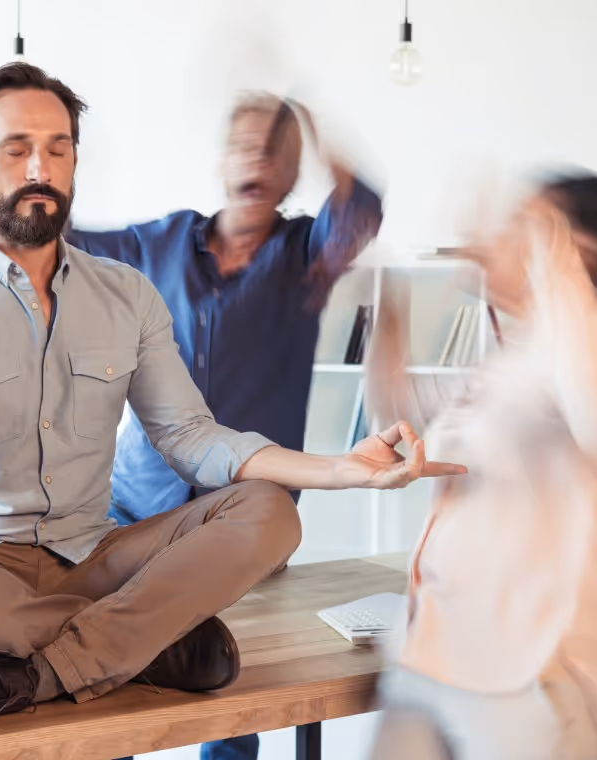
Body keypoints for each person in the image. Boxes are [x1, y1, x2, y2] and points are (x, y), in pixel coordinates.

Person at [0, 61, 462, 733]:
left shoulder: (129, 292)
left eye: (58, 147)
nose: (40, 166)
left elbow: (191, 436)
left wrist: (337, 470)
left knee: (271, 513)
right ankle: (150, 645)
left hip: (97, 557)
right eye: (16, 147)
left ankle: (30, 671)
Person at [64, 94, 383, 760]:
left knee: (235, 688)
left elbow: (364, 206)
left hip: (245, 523)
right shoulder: (159, 242)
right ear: (220, 160)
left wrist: (309, 119)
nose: (257, 160)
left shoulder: (307, 254)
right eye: (244, 145)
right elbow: (66, 242)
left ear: (295, 175)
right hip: (136, 505)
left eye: (275, 151)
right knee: (104, 669)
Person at [366, 174, 597, 760]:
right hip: (436, 658)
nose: (494, 240)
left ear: (575, 248)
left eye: (523, 225)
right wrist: (389, 313)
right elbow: (412, 425)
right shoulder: (521, 354)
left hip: (529, 679)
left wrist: (553, 262)